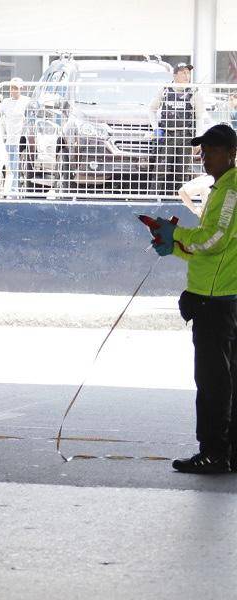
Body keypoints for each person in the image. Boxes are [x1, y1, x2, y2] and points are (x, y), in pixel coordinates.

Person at [149, 123, 237, 474]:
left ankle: (214, 451)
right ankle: (226, 450)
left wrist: (176, 235)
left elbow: (213, 239)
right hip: (214, 293)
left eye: (212, 150)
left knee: (213, 379)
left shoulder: (230, 191)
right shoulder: (220, 189)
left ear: (232, 152)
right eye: (202, 151)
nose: (205, 157)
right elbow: (207, 248)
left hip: (216, 299)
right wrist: (174, 247)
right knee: (224, 376)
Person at [153, 63, 197, 196]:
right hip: (168, 134)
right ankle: (152, 198)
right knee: (160, 170)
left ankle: (179, 200)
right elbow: (151, 109)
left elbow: (200, 116)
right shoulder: (165, 90)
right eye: (183, 72)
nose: (186, 75)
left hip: (186, 136)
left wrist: (199, 137)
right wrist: (156, 128)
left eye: (188, 73)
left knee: (182, 172)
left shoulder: (193, 91)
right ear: (175, 74)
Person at [0, 77, 30, 193]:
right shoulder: (6, 102)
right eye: (12, 88)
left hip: (20, 140)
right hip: (9, 140)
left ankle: (15, 190)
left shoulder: (26, 101)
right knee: (9, 168)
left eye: (16, 88)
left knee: (17, 167)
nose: (13, 90)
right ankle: (9, 190)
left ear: (21, 89)